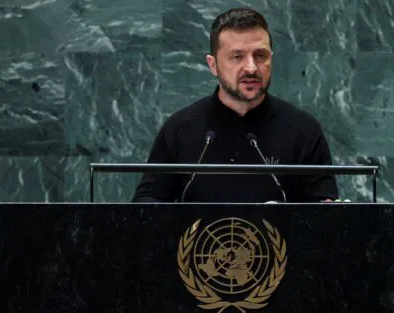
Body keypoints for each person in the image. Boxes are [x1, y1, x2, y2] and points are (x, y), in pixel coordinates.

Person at [132, 7, 338, 203]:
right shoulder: (180, 129)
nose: (251, 68)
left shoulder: (303, 130)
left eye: (260, 56)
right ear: (213, 65)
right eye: (237, 57)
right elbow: (147, 206)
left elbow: (323, 216)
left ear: (271, 59)